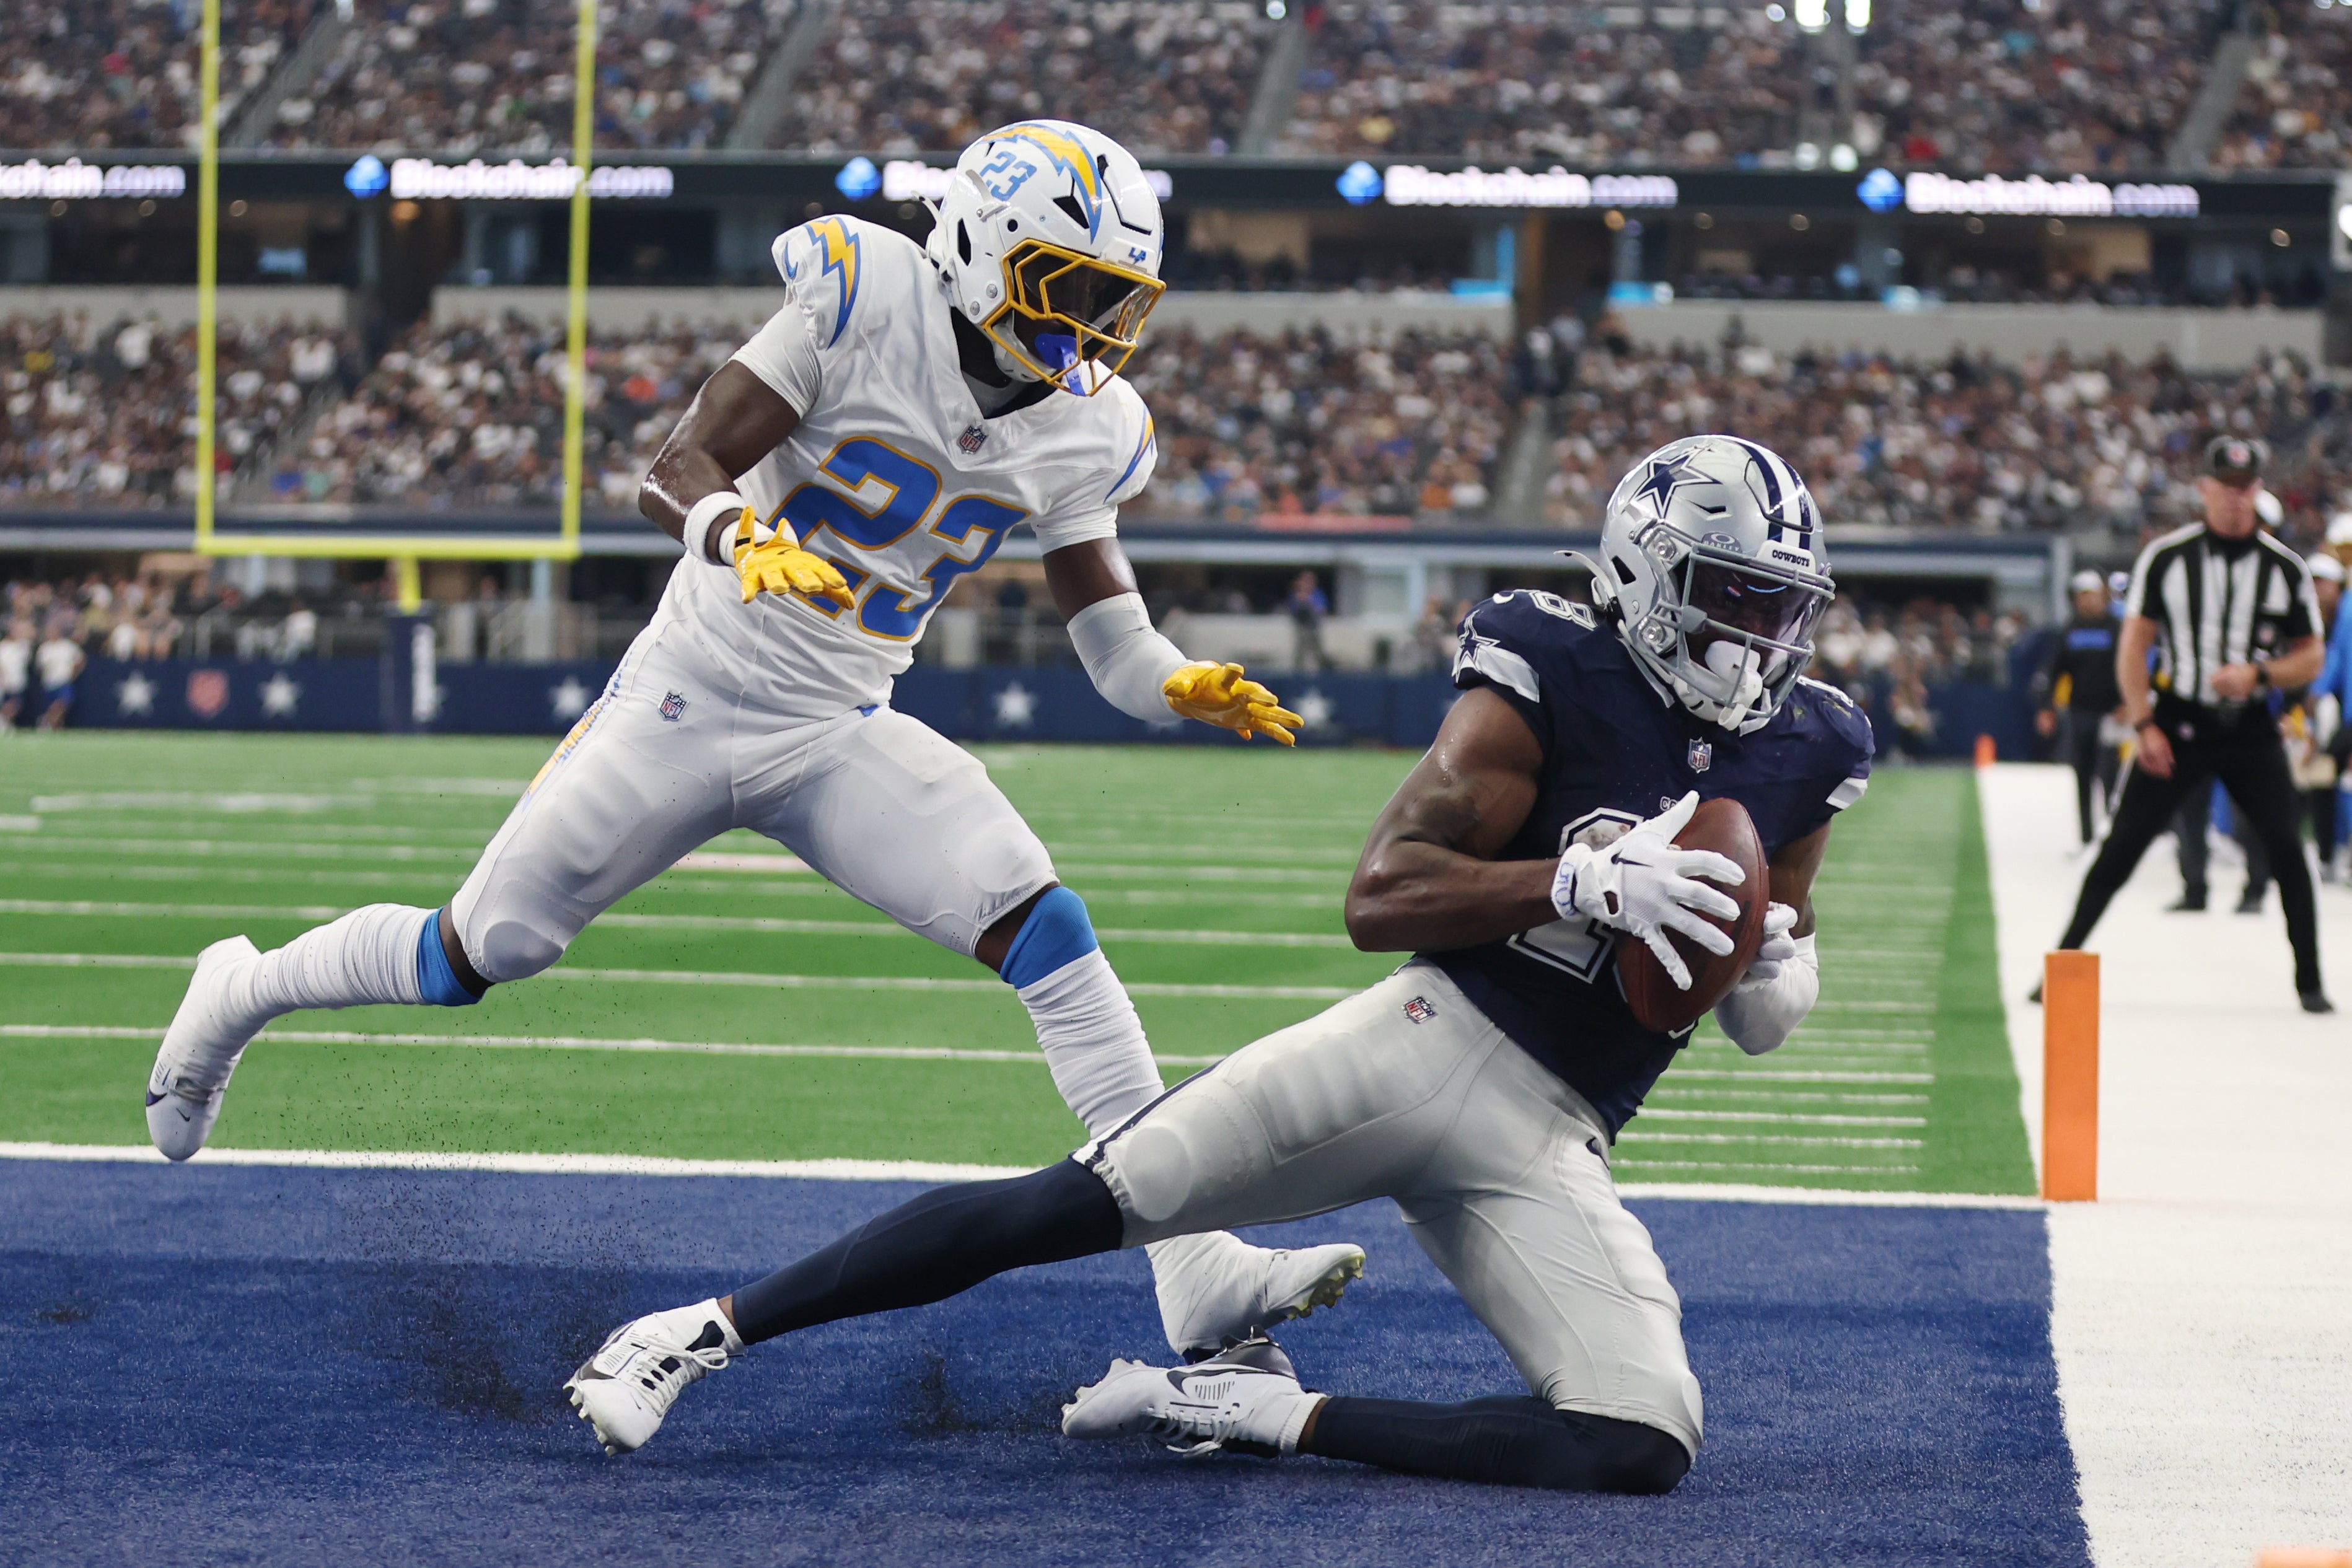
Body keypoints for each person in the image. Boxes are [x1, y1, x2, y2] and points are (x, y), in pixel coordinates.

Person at [141, 120, 1364, 1361]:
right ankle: (244, 984)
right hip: (690, 694)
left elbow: (1111, 640)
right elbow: (675, 466)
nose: (1093, 328)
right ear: (981, 248)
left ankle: (1192, 1262)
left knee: (1042, 923)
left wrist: (1173, 681)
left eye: (1114, 301)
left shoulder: (1086, 428)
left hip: (838, 726)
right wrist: (737, 534)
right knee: (480, 948)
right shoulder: (862, 292)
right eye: (1070, 287)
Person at [561, 434, 1874, 1497]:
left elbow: (1759, 1005)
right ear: (1646, 573)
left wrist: (1766, 964)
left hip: (1557, 1132)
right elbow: (1379, 897)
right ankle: (698, 1328)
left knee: (1639, 1439)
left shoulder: (1809, 742)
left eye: (1782, 607)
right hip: (1418, 1044)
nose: (1760, 635)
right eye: (1734, 597)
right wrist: (1575, 881)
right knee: (1070, 1206)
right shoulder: (1553, 664)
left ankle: (1250, 1409)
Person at [2045, 437, 2331, 1012]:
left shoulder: (2284, 568)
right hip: (2178, 723)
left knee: (2287, 849)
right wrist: (2144, 723)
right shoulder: (2169, 557)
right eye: (2225, 486)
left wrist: (2260, 674)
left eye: (2245, 487)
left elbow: (2311, 656)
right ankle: (2061, 964)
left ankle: (2311, 982)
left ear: (2258, 490)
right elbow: (2134, 647)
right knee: (2121, 847)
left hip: (2249, 726)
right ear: (2204, 488)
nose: (2235, 497)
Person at [2035, 569, 2125, 845]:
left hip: (2111, 714)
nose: (2087, 601)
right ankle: (2086, 837)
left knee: (2110, 775)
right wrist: (2047, 708)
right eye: (2082, 596)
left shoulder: (2116, 628)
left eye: (2092, 595)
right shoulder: (2070, 630)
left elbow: (2129, 667)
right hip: (2080, 712)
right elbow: (2053, 671)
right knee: (2083, 774)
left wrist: (2126, 703)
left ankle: (2113, 836)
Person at [33, 625, 84, 731]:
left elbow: (80, 660)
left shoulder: (68, 646)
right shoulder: (45, 648)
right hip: (49, 682)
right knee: (53, 705)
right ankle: (53, 725)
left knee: (62, 704)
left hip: (63, 681)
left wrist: (73, 674)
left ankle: (46, 720)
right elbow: (40, 666)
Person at [1286, 569, 1328, 673]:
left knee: (1317, 650)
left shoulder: (1317, 594)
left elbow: (1322, 609)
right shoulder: (1296, 594)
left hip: (1314, 626)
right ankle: (1298, 671)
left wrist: (1309, 602)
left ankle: (1322, 670)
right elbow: (1291, 608)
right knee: (1300, 650)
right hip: (1301, 626)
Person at [0, 619, 29, 732]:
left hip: (18, 680)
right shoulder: (3, 647)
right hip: (5, 681)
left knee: (17, 703)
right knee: (10, 703)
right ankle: (3, 723)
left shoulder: (21, 646)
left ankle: (5, 722)